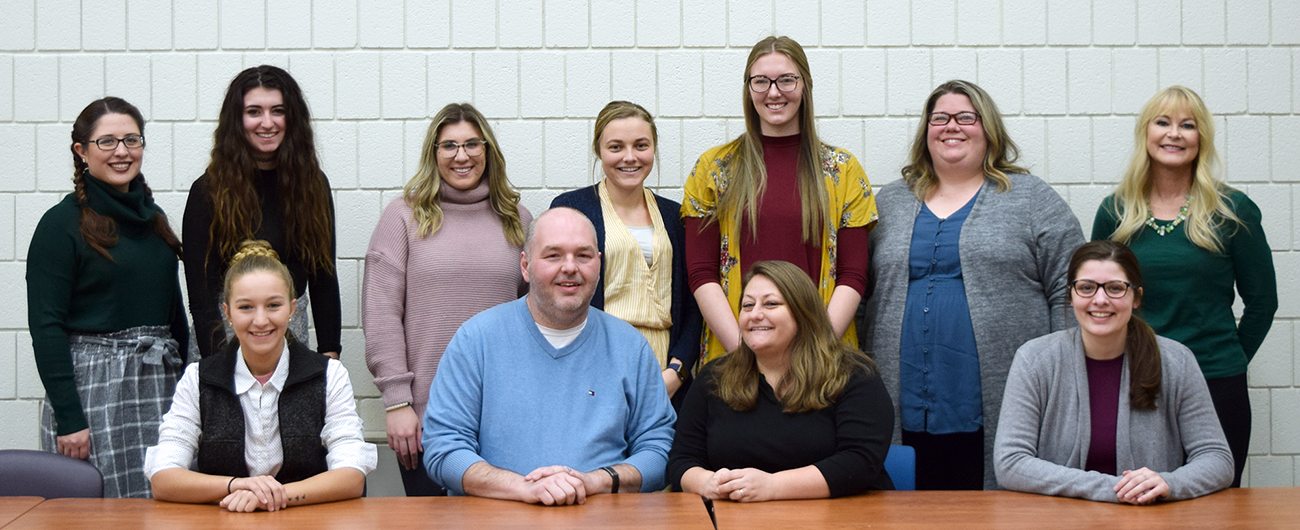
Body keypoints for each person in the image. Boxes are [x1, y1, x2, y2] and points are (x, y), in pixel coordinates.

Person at [861, 79, 1086, 490]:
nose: (952, 126)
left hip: (1000, 400)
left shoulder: (1031, 198)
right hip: (901, 399)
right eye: (940, 118)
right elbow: (861, 290)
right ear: (925, 131)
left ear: (989, 129)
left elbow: (1070, 287)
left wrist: (1065, 375)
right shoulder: (889, 202)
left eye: (967, 117)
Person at [422, 207, 676, 505]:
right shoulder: (475, 340)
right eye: (553, 255)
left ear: (598, 264)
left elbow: (659, 451)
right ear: (526, 266)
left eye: (583, 255)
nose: (570, 267)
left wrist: (593, 482)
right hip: (497, 518)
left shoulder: (630, 347)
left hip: (601, 519)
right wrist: (525, 489)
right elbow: (444, 448)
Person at [1092, 86, 1276, 488]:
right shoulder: (1116, 212)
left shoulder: (1233, 210)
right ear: (1146, 133)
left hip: (1216, 381)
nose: (1174, 133)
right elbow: (1099, 299)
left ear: (1201, 138)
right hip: (1139, 379)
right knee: (1139, 495)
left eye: (1187, 125)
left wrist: (1230, 358)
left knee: (1216, 501)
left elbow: (1263, 302)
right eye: (1163, 122)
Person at [363, 102, 531, 496]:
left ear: (488, 151)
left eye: (473, 144)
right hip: (425, 415)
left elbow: (536, 315)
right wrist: (397, 403)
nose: (462, 155)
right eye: (448, 146)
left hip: (504, 413)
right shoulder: (404, 216)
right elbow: (381, 314)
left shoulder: (517, 220)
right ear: (433, 153)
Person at [681, 36, 877, 366]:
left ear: (805, 85)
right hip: (735, 358)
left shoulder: (842, 171)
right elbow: (702, 274)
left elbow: (853, 274)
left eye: (786, 79)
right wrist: (746, 352)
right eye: (761, 81)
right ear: (748, 88)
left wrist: (815, 354)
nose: (774, 92)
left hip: (822, 360)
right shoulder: (714, 169)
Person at [27, 97, 187, 498]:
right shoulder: (60, 225)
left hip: (160, 387)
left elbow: (175, 315)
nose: (122, 151)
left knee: (165, 506)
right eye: (107, 141)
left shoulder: (155, 220)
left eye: (132, 140)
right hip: (94, 394)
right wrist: (69, 419)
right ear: (81, 151)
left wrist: (191, 390)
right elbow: (46, 327)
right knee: (98, 514)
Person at [145, 241, 376, 512]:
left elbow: (351, 476)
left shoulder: (329, 375)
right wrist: (237, 486)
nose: (261, 320)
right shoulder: (198, 379)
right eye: (245, 307)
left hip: (309, 522)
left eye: (273, 305)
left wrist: (269, 496)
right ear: (227, 312)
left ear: (292, 310)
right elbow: (163, 478)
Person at [994, 240, 1233, 503]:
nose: (1100, 300)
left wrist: (1169, 483)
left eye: (1115, 288)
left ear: (1136, 297)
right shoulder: (1034, 359)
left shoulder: (1177, 361)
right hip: (1059, 519)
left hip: (1148, 519)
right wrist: (1116, 489)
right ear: (1070, 295)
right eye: (1086, 288)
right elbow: (1010, 462)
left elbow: (1217, 459)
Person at [668, 260, 894, 501]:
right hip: (739, 520)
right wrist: (706, 483)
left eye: (771, 304)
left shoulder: (853, 374)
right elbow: (682, 460)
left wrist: (773, 486)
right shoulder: (714, 377)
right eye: (747, 305)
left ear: (803, 312)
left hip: (844, 518)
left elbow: (860, 461)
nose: (755, 315)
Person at [551, 101, 702, 407]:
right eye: (616, 147)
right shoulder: (573, 210)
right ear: (599, 151)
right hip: (593, 375)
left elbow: (693, 304)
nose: (630, 157)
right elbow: (556, 297)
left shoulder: (675, 216)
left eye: (641, 145)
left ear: (654, 149)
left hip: (666, 377)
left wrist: (676, 372)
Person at [184, 65, 340, 360]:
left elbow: (323, 278)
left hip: (291, 337)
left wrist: (330, 352)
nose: (267, 122)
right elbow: (201, 296)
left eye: (277, 111)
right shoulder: (208, 190)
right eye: (254, 111)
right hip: (222, 340)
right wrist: (219, 365)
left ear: (291, 117)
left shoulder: (312, 185)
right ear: (237, 119)